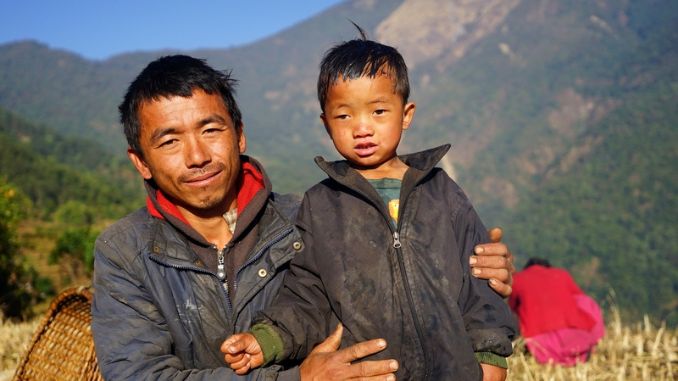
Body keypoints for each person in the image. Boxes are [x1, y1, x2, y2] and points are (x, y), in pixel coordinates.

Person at [90, 54, 515, 380]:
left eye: (211, 129)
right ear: (140, 161)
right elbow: (140, 376)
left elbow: (408, 263)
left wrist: (475, 266)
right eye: (169, 141)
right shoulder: (126, 252)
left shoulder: (314, 215)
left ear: (240, 136)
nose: (197, 156)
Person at [222, 33, 516, 381]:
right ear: (325, 123)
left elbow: (480, 280)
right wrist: (268, 339)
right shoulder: (322, 205)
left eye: (378, 111)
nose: (362, 128)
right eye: (344, 116)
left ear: (406, 114)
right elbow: (307, 295)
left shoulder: (440, 191)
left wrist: (490, 354)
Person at [508, 258, 605, 366]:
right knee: (584, 301)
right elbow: (583, 301)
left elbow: (510, 311)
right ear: (549, 268)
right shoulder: (562, 275)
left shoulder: (517, 279)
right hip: (577, 343)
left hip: (537, 347)